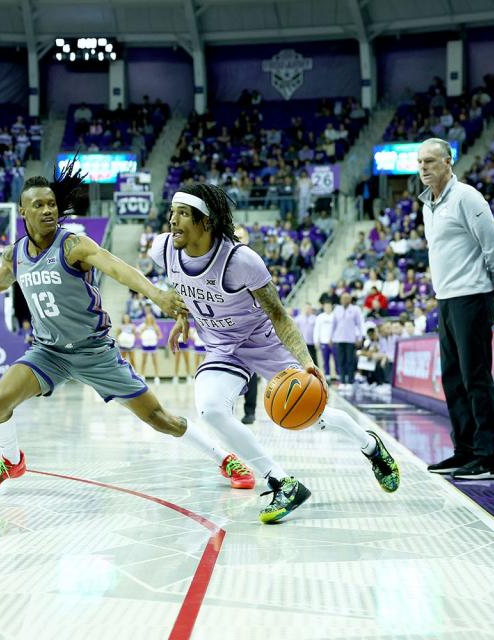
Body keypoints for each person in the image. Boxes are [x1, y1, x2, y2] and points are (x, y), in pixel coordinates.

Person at [0, 168, 257, 500]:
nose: (48, 211)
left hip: (94, 352)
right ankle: (11, 461)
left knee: (159, 419)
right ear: (23, 212)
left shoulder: (74, 245)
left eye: (52, 204)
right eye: (38, 205)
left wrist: (158, 295)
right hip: (48, 352)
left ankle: (225, 459)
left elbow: (120, 270)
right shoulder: (16, 255)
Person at [154, 183, 400, 524]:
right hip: (222, 347)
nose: (172, 221)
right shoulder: (163, 249)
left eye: (182, 214)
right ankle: (281, 481)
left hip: (263, 342)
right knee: (211, 409)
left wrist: (307, 363)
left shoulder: (241, 261)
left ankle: (370, 446)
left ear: (206, 222)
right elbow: (179, 285)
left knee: (316, 415)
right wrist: (181, 315)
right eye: (172, 213)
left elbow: (279, 314)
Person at [417, 137, 494, 481]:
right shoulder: (428, 204)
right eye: (420, 162)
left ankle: (488, 457)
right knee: (453, 379)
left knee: (475, 377)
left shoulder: (467, 197)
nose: (424, 167)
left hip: (473, 295)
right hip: (447, 298)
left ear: (448, 162)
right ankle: (465, 450)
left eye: (430, 161)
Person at [331, 293, 362, 385]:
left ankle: (350, 380)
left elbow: (359, 324)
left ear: (350, 300)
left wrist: (359, 337)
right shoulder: (337, 309)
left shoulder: (355, 309)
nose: (345, 300)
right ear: (340, 300)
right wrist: (331, 337)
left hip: (351, 339)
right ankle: (342, 380)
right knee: (341, 360)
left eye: (347, 298)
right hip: (339, 338)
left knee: (350, 360)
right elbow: (334, 324)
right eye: (343, 298)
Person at [137, 312, 163, 383]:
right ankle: (142, 376)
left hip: (153, 345)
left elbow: (160, 335)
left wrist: (155, 338)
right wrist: (143, 337)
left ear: (152, 319)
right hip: (145, 345)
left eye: (150, 318)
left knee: (154, 361)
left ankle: (157, 377)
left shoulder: (155, 326)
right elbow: (139, 335)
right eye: (148, 318)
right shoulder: (143, 326)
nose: (149, 319)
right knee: (143, 361)